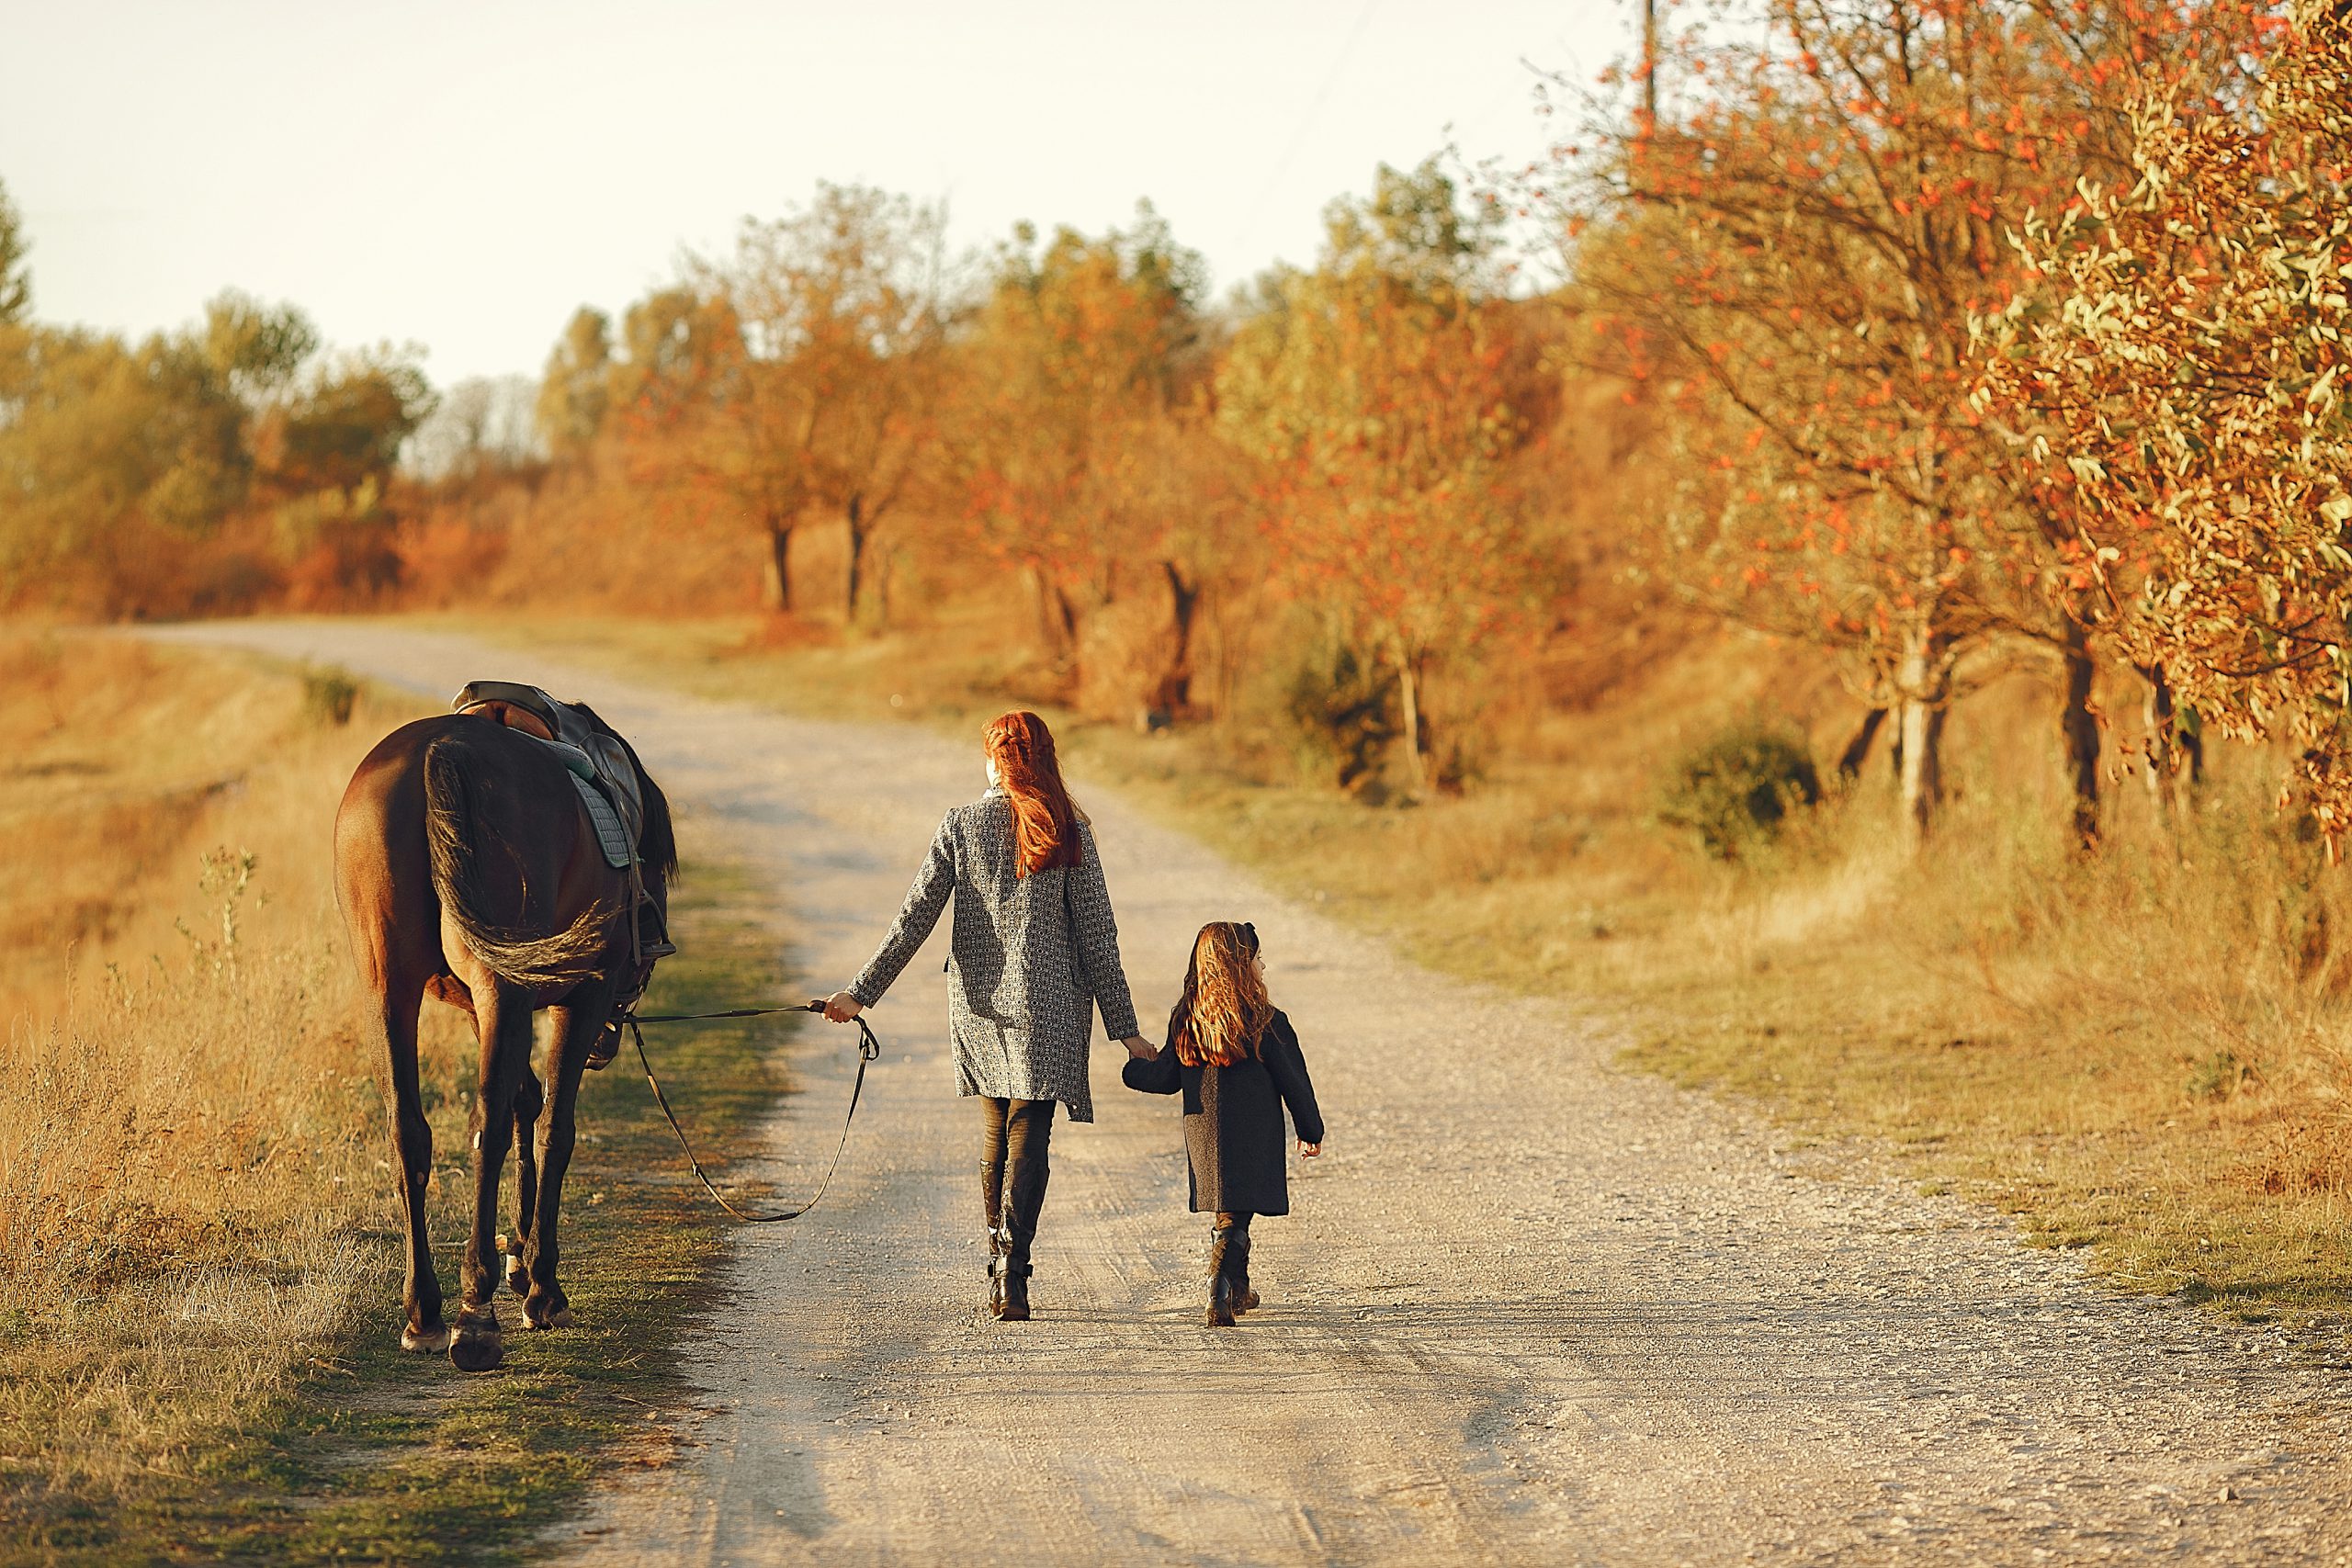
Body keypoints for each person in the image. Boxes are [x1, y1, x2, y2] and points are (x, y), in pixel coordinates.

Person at [825, 711, 1152, 1321]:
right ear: (1045, 757)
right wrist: (1125, 1028)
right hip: (1050, 1004)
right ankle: (1014, 1266)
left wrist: (859, 992)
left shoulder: (962, 823)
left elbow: (914, 916)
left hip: (978, 1003)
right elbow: (1098, 937)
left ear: (994, 760)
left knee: (997, 1127)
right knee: (1031, 1128)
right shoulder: (1069, 828)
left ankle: (997, 1261)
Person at [1123, 920, 1324, 1325]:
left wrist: (1132, 1070)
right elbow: (1294, 1081)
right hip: (1253, 1133)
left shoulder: (1187, 1020)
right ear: (1237, 964)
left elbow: (1164, 1076)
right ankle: (1218, 1285)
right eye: (1256, 958)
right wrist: (1310, 1130)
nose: (1262, 967)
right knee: (1236, 1214)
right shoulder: (1266, 1021)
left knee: (1232, 1211)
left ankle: (1239, 1287)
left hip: (1205, 1138)